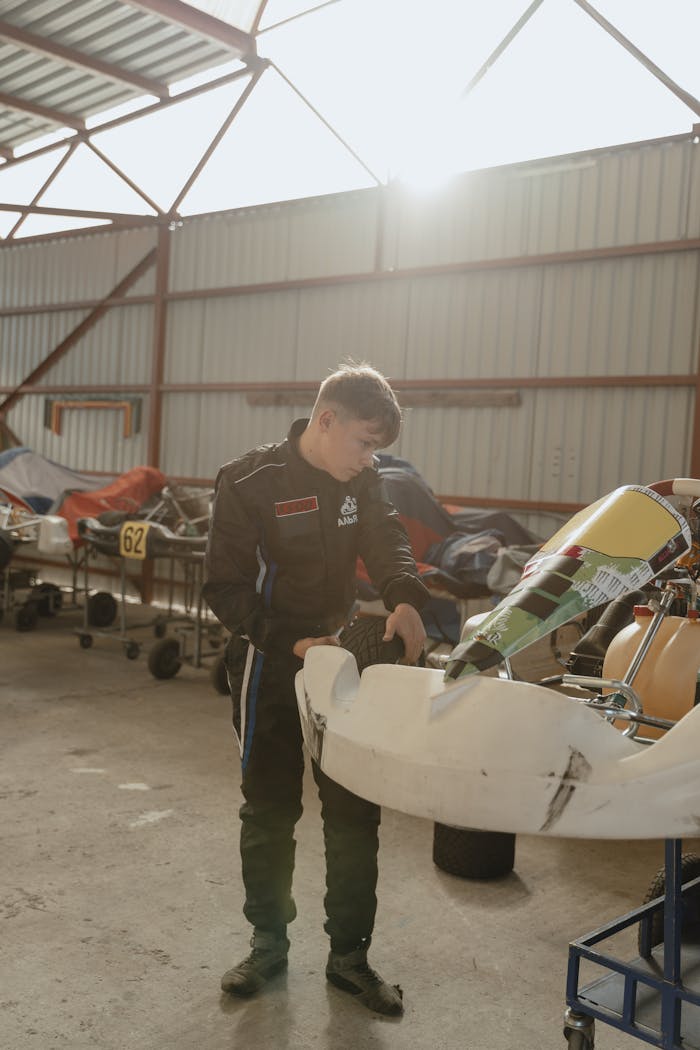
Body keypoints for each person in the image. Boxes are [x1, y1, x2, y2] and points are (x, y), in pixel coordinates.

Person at [203, 361, 429, 1016]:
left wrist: (405, 595)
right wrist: (289, 642)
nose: (368, 461)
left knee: (355, 814)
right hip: (272, 661)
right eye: (363, 442)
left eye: (377, 449)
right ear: (325, 421)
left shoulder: (362, 479)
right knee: (270, 810)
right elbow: (224, 588)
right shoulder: (250, 481)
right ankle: (267, 946)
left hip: (344, 659)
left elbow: (384, 536)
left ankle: (349, 959)